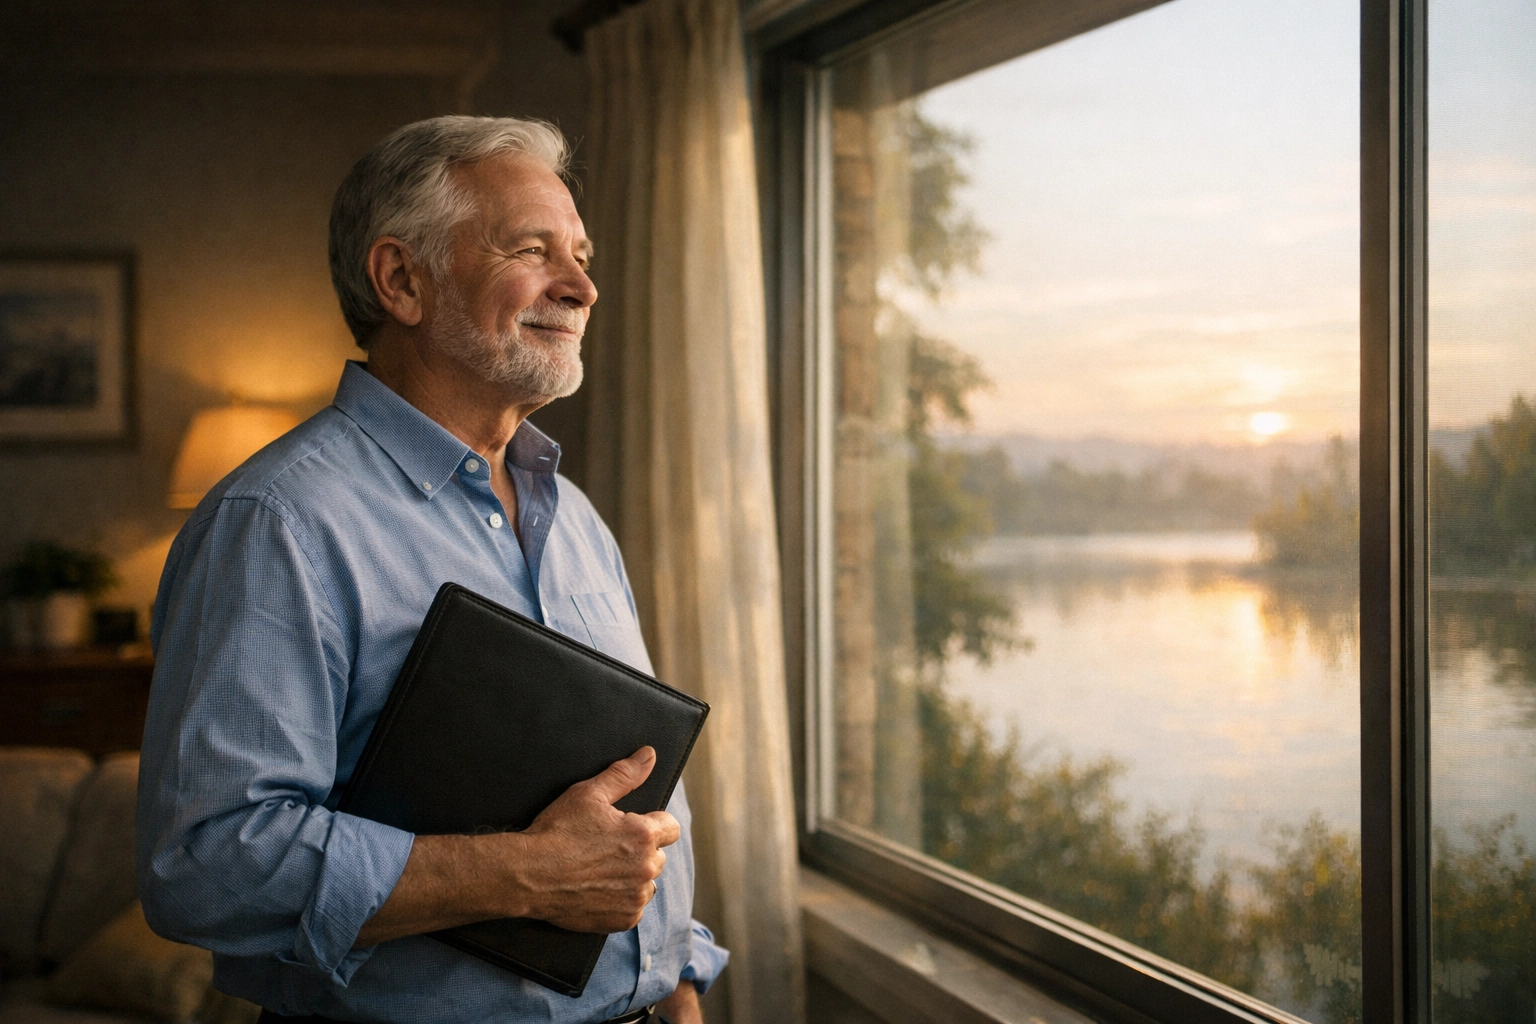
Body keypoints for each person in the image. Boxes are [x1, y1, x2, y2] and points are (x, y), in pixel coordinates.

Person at [136, 115, 727, 1024]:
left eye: (580, 253)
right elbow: (207, 865)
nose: (581, 286)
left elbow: (626, 800)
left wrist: (677, 982)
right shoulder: (278, 523)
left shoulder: (576, 519)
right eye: (534, 250)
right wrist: (528, 874)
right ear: (401, 280)